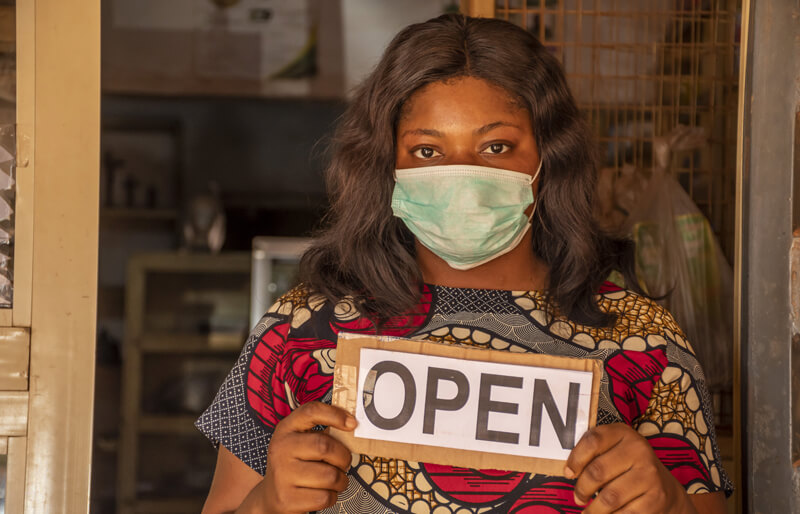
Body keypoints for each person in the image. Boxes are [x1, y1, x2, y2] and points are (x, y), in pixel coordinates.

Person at [196, 14, 732, 514]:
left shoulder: (641, 341)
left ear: (548, 159)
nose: (462, 176)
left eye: (496, 147)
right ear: (387, 163)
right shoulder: (301, 330)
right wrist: (267, 501)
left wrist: (670, 501)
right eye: (427, 151)